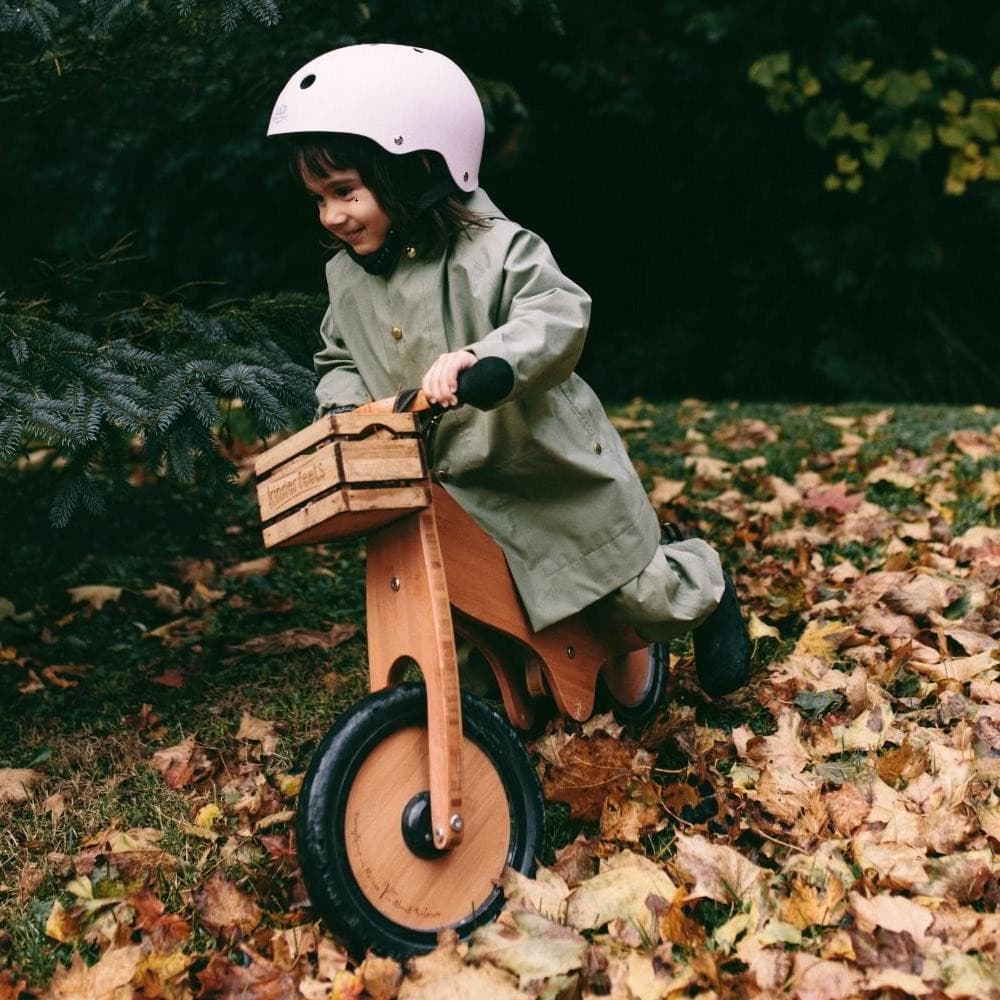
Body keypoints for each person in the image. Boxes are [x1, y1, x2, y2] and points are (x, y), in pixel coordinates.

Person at [267, 43, 750, 717]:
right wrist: (349, 412)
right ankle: (493, 729)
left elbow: (558, 312)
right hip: (449, 489)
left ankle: (705, 580)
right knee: (467, 611)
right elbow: (338, 357)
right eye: (317, 199)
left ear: (415, 171)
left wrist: (487, 359)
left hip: (545, 474)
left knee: (632, 594)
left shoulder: (495, 249)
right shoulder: (345, 277)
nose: (332, 217)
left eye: (346, 192)